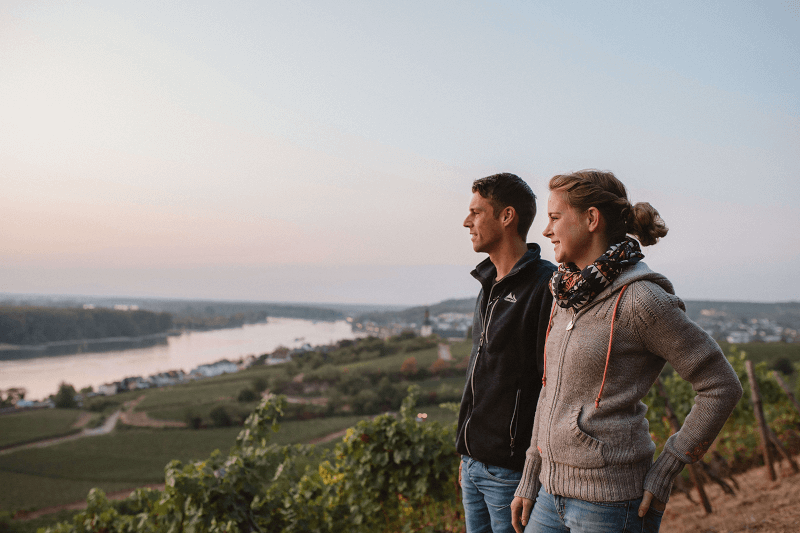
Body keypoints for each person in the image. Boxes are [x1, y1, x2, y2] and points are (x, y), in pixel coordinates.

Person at [510, 170, 743, 533]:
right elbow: (549, 389)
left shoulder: (641, 300)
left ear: (591, 219)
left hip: (609, 505)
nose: (545, 229)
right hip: (547, 496)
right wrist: (530, 476)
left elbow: (720, 384)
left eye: (555, 217)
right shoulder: (565, 296)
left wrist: (668, 467)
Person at [456, 173, 556, 533]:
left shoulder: (546, 287)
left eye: (476, 212)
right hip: (472, 463)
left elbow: (552, 383)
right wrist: (467, 456)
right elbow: (480, 373)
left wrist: (531, 473)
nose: (467, 221)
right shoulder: (487, 286)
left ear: (506, 216)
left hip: (511, 471)